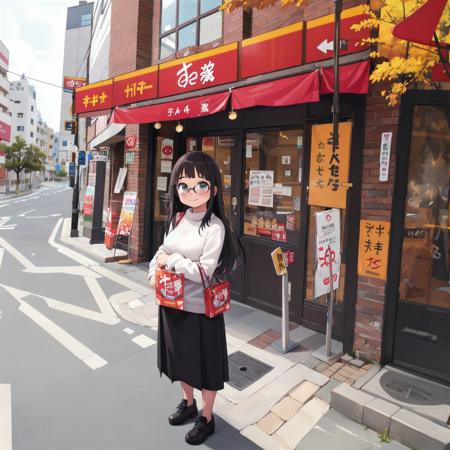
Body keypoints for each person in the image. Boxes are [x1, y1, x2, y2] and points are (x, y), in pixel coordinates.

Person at [148, 151, 240, 446]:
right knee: (182, 361)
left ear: (213, 189)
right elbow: (159, 253)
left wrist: (171, 261)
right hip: (172, 304)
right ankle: (188, 404)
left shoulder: (215, 228)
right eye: (183, 185)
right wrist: (153, 274)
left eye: (200, 185)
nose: (191, 192)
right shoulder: (177, 218)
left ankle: (207, 417)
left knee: (205, 366)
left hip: (201, 309)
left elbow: (203, 272)